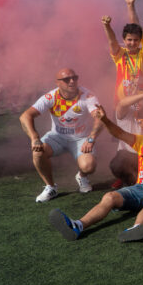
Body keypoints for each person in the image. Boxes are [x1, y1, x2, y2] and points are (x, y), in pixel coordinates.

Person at [49, 108, 143, 242]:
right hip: (140, 188)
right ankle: (78, 225)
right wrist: (105, 119)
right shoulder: (142, 142)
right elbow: (118, 133)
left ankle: (137, 228)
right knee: (109, 197)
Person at [20, 68, 103, 202]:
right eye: (66, 79)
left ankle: (82, 176)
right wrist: (34, 138)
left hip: (81, 138)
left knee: (89, 166)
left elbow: (100, 118)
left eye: (75, 78)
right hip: (57, 137)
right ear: (57, 83)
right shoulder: (51, 96)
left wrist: (91, 138)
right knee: (37, 152)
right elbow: (25, 116)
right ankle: (50, 187)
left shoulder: (87, 95)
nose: (72, 81)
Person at [102, 14, 143, 103]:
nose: (132, 43)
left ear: (140, 40)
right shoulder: (120, 54)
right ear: (124, 40)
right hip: (122, 103)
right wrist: (106, 26)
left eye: (136, 40)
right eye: (129, 40)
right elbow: (112, 41)